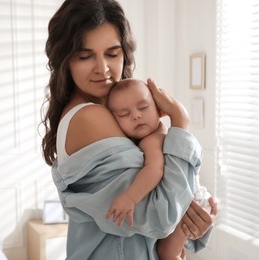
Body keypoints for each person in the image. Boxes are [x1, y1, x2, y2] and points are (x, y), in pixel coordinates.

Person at [40, 0, 217, 259]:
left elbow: (159, 217)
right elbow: (160, 217)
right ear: (66, 60)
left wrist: (191, 221)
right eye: (85, 56)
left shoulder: (117, 110)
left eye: (112, 54)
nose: (103, 69)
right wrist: (180, 122)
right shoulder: (90, 117)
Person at [106, 78, 213, 260]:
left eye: (143, 107)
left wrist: (130, 197)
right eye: (124, 114)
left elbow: (154, 170)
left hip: (188, 203)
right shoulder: (162, 133)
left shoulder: (152, 140)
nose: (136, 116)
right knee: (176, 251)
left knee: (167, 253)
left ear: (160, 109)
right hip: (195, 195)